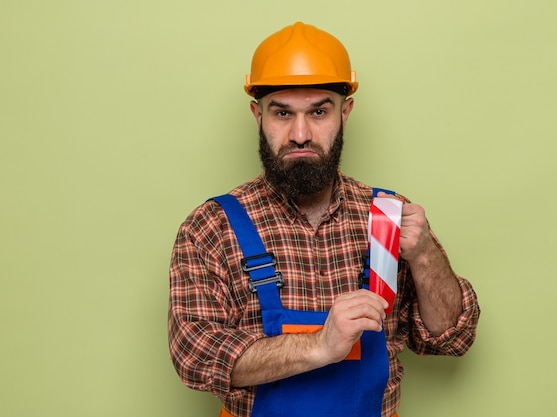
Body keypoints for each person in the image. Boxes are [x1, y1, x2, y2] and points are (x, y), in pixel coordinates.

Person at [168, 22, 480, 417]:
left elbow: (452, 338)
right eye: (282, 113)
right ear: (257, 115)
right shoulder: (211, 228)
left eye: (319, 111)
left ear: (345, 112)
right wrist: (319, 345)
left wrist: (426, 256)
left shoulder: (387, 216)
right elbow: (194, 354)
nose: (301, 134)